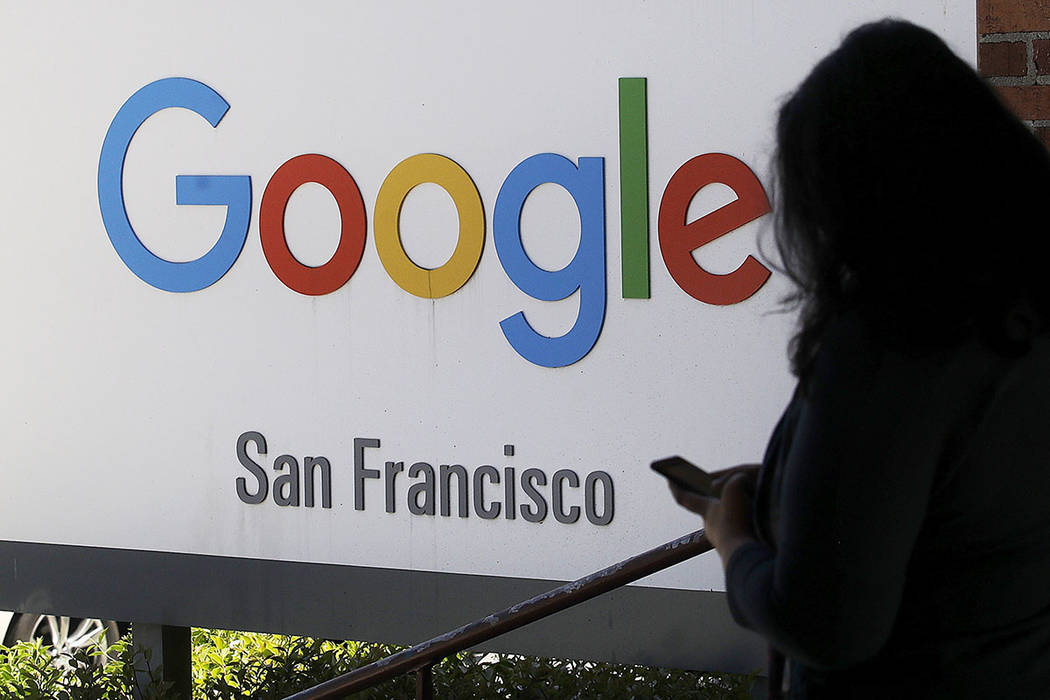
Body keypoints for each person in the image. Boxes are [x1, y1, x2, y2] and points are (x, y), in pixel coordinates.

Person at [669, 19, 1050, 699]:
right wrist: (794, 483)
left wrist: (732, 541)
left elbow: (826, 626)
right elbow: (955, 493)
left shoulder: (890, 345)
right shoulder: (1020, 310)